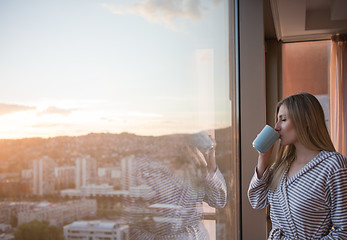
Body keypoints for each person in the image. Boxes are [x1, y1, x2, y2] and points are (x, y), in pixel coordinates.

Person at [248, 92, 347, 239]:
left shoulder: (333, 165)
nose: (276, 127)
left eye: (283, 120)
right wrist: (263, 158)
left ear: (306, 120)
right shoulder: (281, 166)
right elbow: (257, 201)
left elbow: (343, 232)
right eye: (277, 120)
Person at [129, 132, 227, 240]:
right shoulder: (145, 168)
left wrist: (211, 166)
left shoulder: (195, 169)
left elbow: (219, 200)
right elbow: (133, 222)